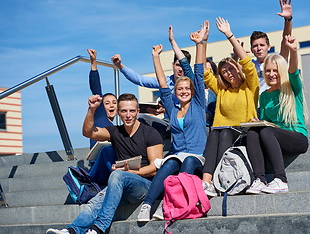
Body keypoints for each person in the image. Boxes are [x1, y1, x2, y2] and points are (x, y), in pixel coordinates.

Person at [46, 93, 163, 234]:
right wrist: (91, 110)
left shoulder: (150, 133)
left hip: (145, 187)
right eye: (124, 111)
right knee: (96, 201)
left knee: (117, 175)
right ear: (118, 112)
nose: (128, 115)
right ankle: (71, 230)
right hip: (121, 185)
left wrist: (133, 173)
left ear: (138, 111)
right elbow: (88, 132)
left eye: (132, 111)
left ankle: (99, 228)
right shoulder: (115, 132)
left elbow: (155, 168)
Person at [136, 23, 208, 222]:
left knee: (188, 161)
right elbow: (161, 84)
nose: (184, 91)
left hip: (196, 157)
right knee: (169, 164)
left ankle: (171, 203)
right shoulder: (173, 108)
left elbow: (199, 72)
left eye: (187, 88)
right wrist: (156, 58)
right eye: (180, 89)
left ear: (192, 91)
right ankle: (148, 204)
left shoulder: (198, 103)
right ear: (175, 92)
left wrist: (200, 44)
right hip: (177, 154)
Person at [201, 17, 259, 197]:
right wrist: (203, 42)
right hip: (221, 133)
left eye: (231, 69)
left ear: (237, 69)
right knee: (215, 132)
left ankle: (219, 178)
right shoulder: (221, 90)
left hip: (241, 134)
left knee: (223, 132)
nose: (228, 74)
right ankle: (206, 183)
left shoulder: (250, 86)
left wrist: (229, 35)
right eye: (224, 72)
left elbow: (248, 64)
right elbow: (203, 72)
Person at [245, 35, 308, 194]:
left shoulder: (292, 87)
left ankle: (281, 179)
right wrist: (258, 122)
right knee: (253, 132)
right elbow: (267, 123)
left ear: (281, 71)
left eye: (275, 70)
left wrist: (293, 51)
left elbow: (293, 70)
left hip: (296, 138)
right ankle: (259, 179)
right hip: (275, 137)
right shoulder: (264, 95)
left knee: (266, 131)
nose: (272, 74)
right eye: (268, 71)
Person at [250, 0, 293, 95]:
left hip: (274, 103)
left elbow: (285, 40)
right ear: (251, 49)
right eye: (255, 46)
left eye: (262, 45)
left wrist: (288, 19)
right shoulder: (250, 65)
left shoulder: (277, 60)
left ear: (268, 47)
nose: (259, 48)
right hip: (256, 107)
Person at [87, 49, 117, 148]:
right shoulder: (100, 115)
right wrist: (93, 62)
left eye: (114, 102)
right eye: (107, 103)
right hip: (97, 160)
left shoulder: (116, 128)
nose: (111, 105)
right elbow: (96, 87)